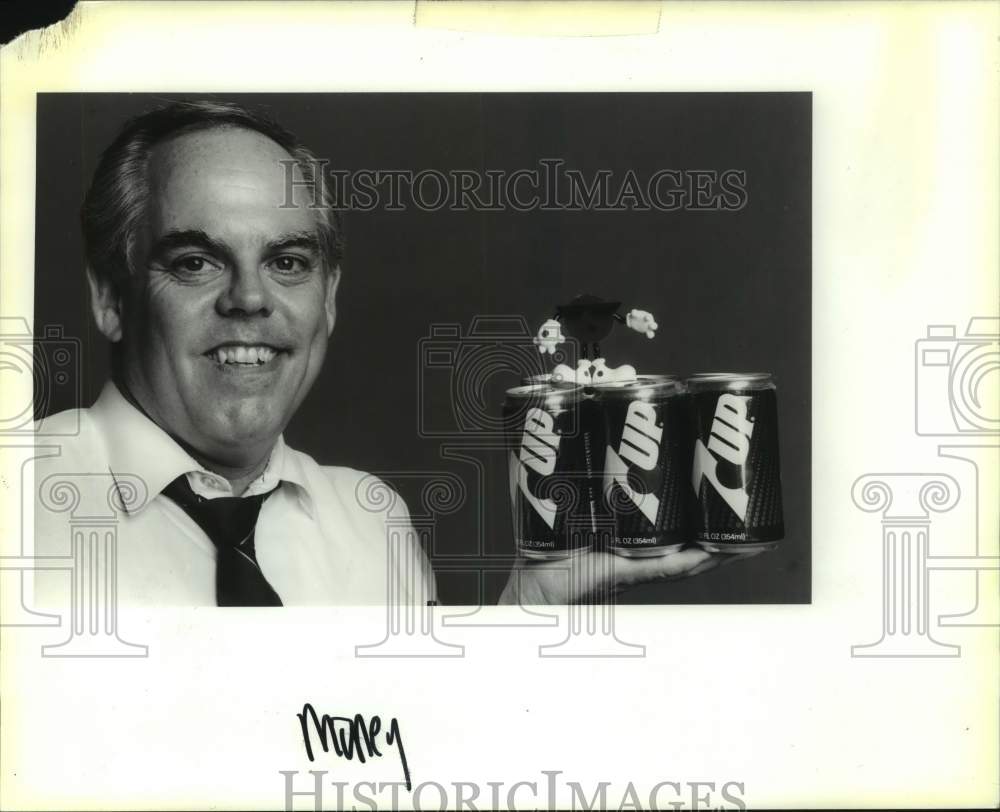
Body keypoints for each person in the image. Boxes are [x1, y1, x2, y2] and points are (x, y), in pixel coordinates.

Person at [34, 100, 743, 607]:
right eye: (195, 262)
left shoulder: (374, 523)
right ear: (111, 298)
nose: (249, 300)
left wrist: (533, 605)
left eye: (287, 262)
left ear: (330, 297)